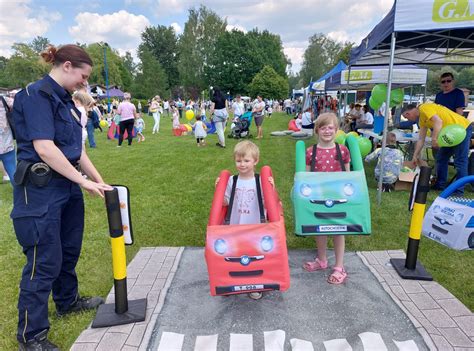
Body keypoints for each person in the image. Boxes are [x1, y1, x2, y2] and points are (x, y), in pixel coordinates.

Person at [10, 44, 112, 350]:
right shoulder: (36, 96)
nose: (84, 83)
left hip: (66, 185)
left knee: (68, 249)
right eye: (83, 76)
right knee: (44, 260)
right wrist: (81, 181)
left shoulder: (66, 100)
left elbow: (75, 149)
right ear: (67, 66)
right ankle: (32, 335)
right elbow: (45, 148)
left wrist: (98, 180)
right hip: (40, 189)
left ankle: (67, 301)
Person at [303, 112, 351, 285]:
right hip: (318, 196)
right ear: (317, 130)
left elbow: (348, 174)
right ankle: (322, 260)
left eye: (331, 128)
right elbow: (306, 176)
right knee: (319, 228)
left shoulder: (343, 150)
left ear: (337, 130)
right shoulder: (310, 152)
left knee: (338, 230)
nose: (327, 131)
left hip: (338, 196)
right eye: (323, 128)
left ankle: (339, 266)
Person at [402, 103, 472, 192]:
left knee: (460, 160)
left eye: (406, 117)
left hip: (462, 127)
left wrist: (434, 139)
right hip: (449, 133)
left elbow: (438, 121)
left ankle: (459, 190)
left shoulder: (424, 108)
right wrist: (415, 155)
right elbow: (421, 139)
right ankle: (440, 185)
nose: (407, 119)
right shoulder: (421, 120)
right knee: (441, 158)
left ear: (408, 113)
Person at [0, 92, 16, 186]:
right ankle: (20, 195)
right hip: (6, 145)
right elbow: (19, 105)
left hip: (7, 145)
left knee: (13, 172)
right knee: (13, 171)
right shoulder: (3, 100)